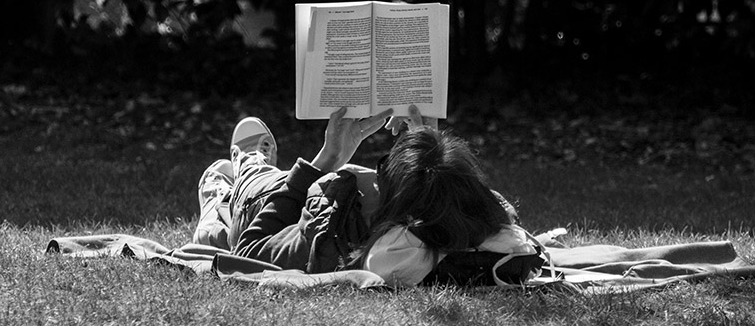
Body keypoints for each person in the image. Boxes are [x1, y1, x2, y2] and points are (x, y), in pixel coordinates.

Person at [193, 105, 537, 287]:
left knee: (259, 178)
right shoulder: (480, 216)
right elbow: (488, 208)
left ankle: (236, 176)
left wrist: (326, 160)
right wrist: (426, 150)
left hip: (269, 202)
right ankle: (224, 194)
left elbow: (250, 250)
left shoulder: (340, 221)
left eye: (386, 166)